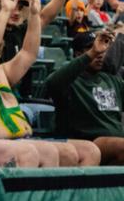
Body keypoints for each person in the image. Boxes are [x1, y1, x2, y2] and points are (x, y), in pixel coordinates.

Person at [0, 0, 101, 167]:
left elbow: (28, 53)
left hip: (25, 138)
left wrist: (34, 13)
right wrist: (5, 7)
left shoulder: (1, 73)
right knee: (45, 152)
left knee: (89, 150)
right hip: (1, 145)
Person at [46, 31, 124, 164]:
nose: (100, 54)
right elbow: (52, 82)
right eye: (91, 48)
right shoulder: (71, 81)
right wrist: (93, 53)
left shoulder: (111, 80)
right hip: (87, 143)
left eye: (103, 48)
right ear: (78, 54)